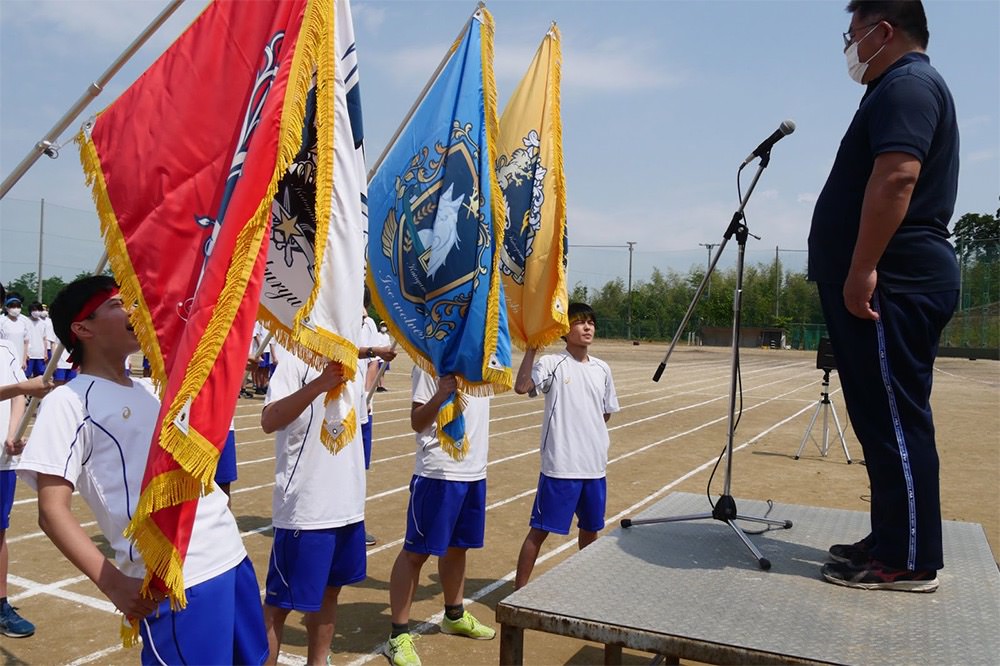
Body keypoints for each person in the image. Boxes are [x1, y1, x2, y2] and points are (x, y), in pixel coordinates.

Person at [16, 276, 269, 662]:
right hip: (176, 580)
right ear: (82, 329)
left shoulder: (148, 389)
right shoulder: (68, 402)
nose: (135, 310)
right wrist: (113, 583)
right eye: (119, 305)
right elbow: (51, 511)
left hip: (228, 555)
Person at [808, 0, 959, 593]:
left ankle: (910, 561)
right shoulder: (894, 87)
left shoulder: (909, 85)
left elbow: (897, 177)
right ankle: (891, 535)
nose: (850, 45)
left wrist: (862, 267)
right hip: (886, 280)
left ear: (884, 30)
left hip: (894, 281)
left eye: (853, 33)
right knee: (879, 419)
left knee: (897, 421)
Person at [260, 350, 367, 665]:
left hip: (347, 506)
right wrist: (319, 383)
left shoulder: (355, 364)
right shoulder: (295, 360)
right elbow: (269, 420)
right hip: (305, 511)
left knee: (330, 592)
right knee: (280, 605)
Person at [382, 369, 495, 666]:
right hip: (438, 472)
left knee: (459, 546)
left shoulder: (482, 360)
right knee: (415, 553)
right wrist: (441, 393)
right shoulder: (430, 361)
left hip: (473, 470)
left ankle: (454, 615)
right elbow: (417, 421)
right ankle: (397, 636)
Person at [512, 302, 620, 590]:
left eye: (591, 323)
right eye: (579, 322)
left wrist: (589, 431)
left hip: (594, 466)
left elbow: (605, 411)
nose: (587, 328)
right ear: (564, 329)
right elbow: (522, 387)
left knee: (590, 529)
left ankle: (588, 587)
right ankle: (518, 592)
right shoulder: (552, 363)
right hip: (562, 466)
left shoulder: (602, 369)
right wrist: (533, 348)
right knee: (540, 531)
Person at [0, 285, 54, 638]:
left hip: (1, 460)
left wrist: (15, 432)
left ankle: (0, 602)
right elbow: (19, 388)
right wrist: (22, 389)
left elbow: (18, 392)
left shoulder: (4, 349)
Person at [357, 301, 396, 547]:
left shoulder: (369, 323)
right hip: (339, 410)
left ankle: (356, 525)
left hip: (364, 407)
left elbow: (373, 362)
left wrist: (366, 392)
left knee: (360, 470)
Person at [0, 296, 29, 371]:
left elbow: (26, 342)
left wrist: (24, 360)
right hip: (5, 358)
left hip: (19, 358)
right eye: (13, 306)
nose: (15, 309)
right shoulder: (2, 320)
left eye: (18, 306)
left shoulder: (24, 321)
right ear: (7, 308)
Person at [24, 303, 50, 379]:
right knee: (26, 375)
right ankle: (26, 391)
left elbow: (44, 339)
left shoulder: (43, 323)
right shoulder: (25, 321)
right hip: (29, 354)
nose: (37, 312)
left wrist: (45, 353)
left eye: (39, 310)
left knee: (39, 376)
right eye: (34, 310)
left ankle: (36, 391)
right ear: (30, 311)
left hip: (40, 354)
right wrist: (25, 353)